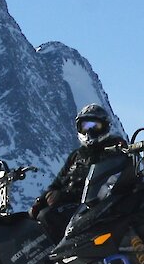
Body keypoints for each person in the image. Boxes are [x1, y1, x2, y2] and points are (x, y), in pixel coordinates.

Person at [29, 103, 126, 242]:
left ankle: (61, 255)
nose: (89, 131)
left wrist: (62, 196)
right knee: (33, 218)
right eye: (85, 126)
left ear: (105, 126)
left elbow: (101, 185)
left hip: (93, 204)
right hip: (71, 203)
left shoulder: (113, 148)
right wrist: (42, 200)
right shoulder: (77, 155)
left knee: (48, 216)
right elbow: (57, 182)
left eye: (95, 126)